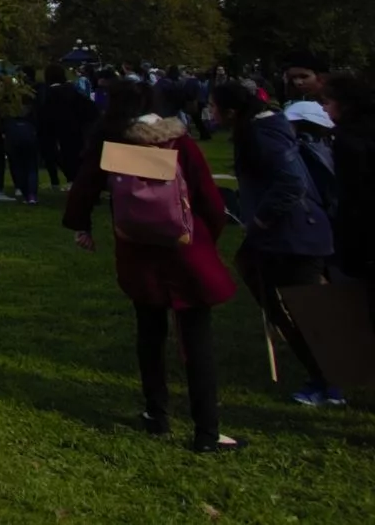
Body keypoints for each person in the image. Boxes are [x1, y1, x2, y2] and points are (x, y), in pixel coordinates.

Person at [63, 79, 242, 452]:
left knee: (150, 332)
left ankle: (156, 412)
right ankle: (207, 430)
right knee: (197, 340)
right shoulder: (178, 142)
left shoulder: (114, 144)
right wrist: (208, 235)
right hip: (184, 245)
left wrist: (82, 225)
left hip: (138, 248)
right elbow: (208, 197)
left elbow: (84, 188)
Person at [213, 79, 341, 407]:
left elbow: (291, 181)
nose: (209, 113)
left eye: (214, 107)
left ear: (231, 111)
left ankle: (330, 382)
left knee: (302, 310)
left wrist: (261, 219)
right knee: (290, 306)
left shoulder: (263, 133)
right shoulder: (260, 129)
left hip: (292, 235)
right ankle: (327, 376)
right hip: (285, 234)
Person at [320, 74, 372, 282]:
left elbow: (351, 192)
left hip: (360, 232)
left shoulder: (347, 141)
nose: (324, 109)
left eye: (327, 103)